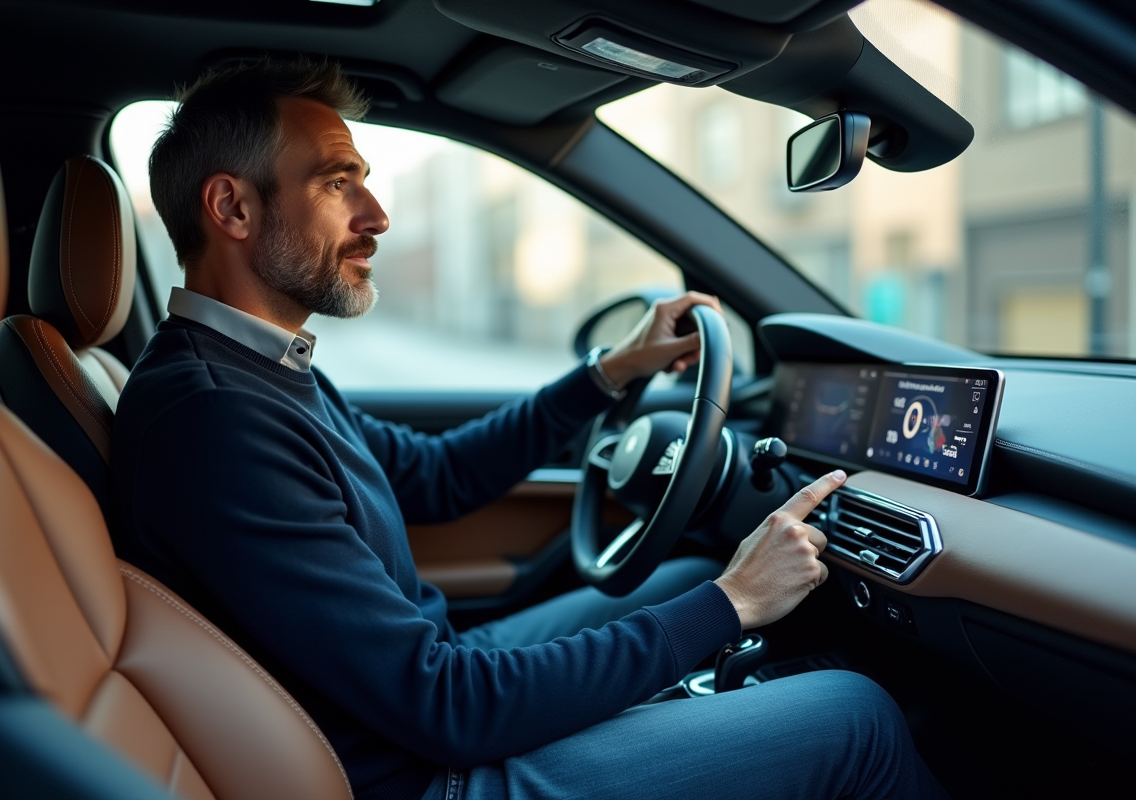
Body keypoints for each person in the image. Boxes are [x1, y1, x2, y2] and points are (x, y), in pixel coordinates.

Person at [111, 58, 946, 800]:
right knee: (855, 715)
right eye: (337, 182)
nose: (377, 214)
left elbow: (436, 476)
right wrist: (733, 602)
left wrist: (610, 373)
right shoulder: (214, 418)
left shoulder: (265, 370)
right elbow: (449, 706)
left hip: (417, 712)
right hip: (428, 774)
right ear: (233, 206)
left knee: (678, 574)